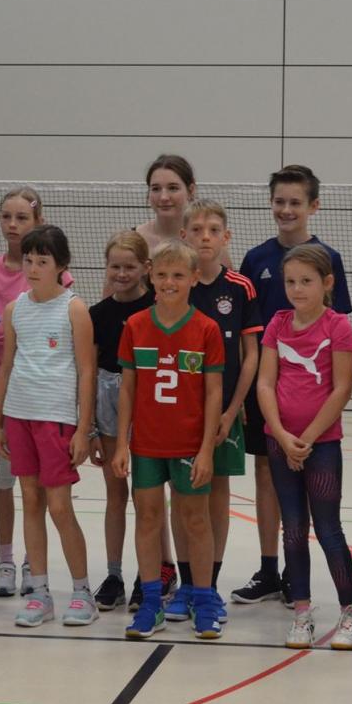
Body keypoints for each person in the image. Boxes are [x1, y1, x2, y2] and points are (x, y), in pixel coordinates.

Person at [234, 164, 352, 607]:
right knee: (267, 477)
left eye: (295, 202)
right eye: (279, 201)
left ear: (312, 206)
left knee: (322, 518)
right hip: (270, 397)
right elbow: (248, 326)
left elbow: (337, 335)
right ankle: (270, 569)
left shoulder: (329, 259)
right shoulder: (256, 259)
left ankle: (301, 581)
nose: (286, 209)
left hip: (315, 406)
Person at [113, 240, 225, 639]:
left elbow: (214, 393)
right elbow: (128, 388)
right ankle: (150, 603)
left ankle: (204, 600)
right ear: (151, 276)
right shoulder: (135, 325)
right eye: (161, 275)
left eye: (178, 275)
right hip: (146, 444)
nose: (169, 282)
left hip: (189, 444)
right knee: (147, 519)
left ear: (194, 278)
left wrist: (206, 450)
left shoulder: (206, 329)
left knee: (195, 520)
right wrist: (122, 443)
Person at [257, 244, 352, 649]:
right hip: (280, 443)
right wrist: (282, 435)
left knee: (328, 527)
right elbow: (265, 383)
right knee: (293, 529)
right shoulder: (277, 324)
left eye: (306, 281)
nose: (297, 289)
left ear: (327, 283)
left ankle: (350, 613)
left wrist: (309, 438)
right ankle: (301, 612)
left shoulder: (338, 326)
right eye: (290, 281)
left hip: (322, 446)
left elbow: (342, 389)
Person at [0, 225, 97, 627]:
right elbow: (6, 367)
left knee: (59, 506)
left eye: (42, 261)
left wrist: (83, 428)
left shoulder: (74, 309)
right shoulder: (14, 309)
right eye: (29, 260)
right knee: (30, 502)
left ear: (61, 266)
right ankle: (39, 593)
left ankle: (82, 592)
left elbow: (86, 371)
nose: (33, 268)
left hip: (57, 419)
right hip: (19, 415)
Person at [0, 186, 74, 598]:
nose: (12, 225)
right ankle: (6, 560)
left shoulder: (56, 280)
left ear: (37, 221)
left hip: (44, 401)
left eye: (21, 218)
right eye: (6, 217)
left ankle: (35, 561)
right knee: (5, 483)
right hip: (4, 397)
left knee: (41, 491)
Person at [167, 200, 261, 625]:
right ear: (183, 235)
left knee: (217, 493)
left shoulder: (240, 287)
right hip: (179, 412)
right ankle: (186, 585)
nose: (205, 237)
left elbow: (250, 353)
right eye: (197, 230)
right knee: (181, 495)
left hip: (224, 413)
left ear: (226, 237)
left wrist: (233, 409)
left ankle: (210, 585)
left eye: (213, 230)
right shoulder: (177, 284)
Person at [88, 231, 154, 610]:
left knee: (147, 497)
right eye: (115, 266)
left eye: (130, 266)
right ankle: (114, 575)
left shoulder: (157, 308)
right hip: (108, 404)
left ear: (146, 267)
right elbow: (88, 372)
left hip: (147, 405)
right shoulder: (97, 314)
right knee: (116, 495)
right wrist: (90, 429)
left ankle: (150, 575)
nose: (122, 273)